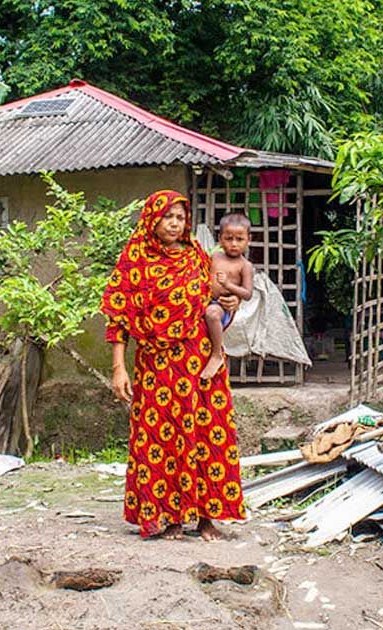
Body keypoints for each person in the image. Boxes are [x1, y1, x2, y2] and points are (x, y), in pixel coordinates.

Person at [101, 190, 245, 541]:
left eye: (180, 217)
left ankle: (207, 517)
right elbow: (119, 317)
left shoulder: (197, 254)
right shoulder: (134, 260)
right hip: (156, 366)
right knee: (161, 440)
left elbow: (214, 300)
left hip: (200, 363)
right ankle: (170, 516)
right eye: (168, 216)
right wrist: (119, 368)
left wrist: (229, 305)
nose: (175, 223)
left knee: (206, 435)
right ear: (152, 218)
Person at [201, 213, 254, 380]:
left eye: (239, 239)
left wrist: (229, 286)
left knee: (212, 313)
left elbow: (247, 294)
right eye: (229, 238)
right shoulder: (214, 257)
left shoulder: (245, 266)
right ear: (220, 239)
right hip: (205, 300)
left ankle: (217, 354)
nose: (234, 244)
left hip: (222, 305)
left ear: (248, 239)